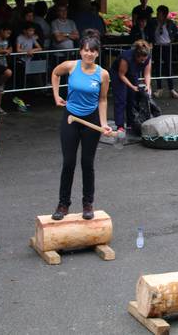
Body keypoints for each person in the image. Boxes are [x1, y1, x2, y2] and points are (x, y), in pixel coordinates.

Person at [50, 31, 112, 221]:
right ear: (80, 51)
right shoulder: (70, 66)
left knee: (87, 163)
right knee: (68, 162)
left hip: (91, 121)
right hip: (70, 119)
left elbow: (102, 100)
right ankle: (63, 204)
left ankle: (88, 203)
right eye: (86, 50)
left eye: (92, 51)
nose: (89, 54)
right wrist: (56, 95)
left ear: (97, 53)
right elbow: (55, 73)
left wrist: (103, 124)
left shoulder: (103, 74)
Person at [110, 40, 152, 132]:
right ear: (136, 56)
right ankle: (120, 125)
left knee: (132, 97)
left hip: (132, 73)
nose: (143, 61)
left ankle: (131, 122)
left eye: (145, 59)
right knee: (121, 98)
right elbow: (121, 75)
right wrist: (132, 86)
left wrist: (148, 86)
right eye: (141, 59)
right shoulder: (126, 58)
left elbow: (147, 74)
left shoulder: (147, 58)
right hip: (118, 73)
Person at [146, 5, 178, 98]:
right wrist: (150, 41)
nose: (157, 15)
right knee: (157, 66)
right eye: (157, 13)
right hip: (157, 46)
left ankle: (171, 88)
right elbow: (148, 31)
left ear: (164, 15)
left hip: (166, 46)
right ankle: (159, 88)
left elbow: (176, 31)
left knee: (168, 67)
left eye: (159, 13)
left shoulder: (170, 23)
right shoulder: (153, 22)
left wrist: (171, 39)